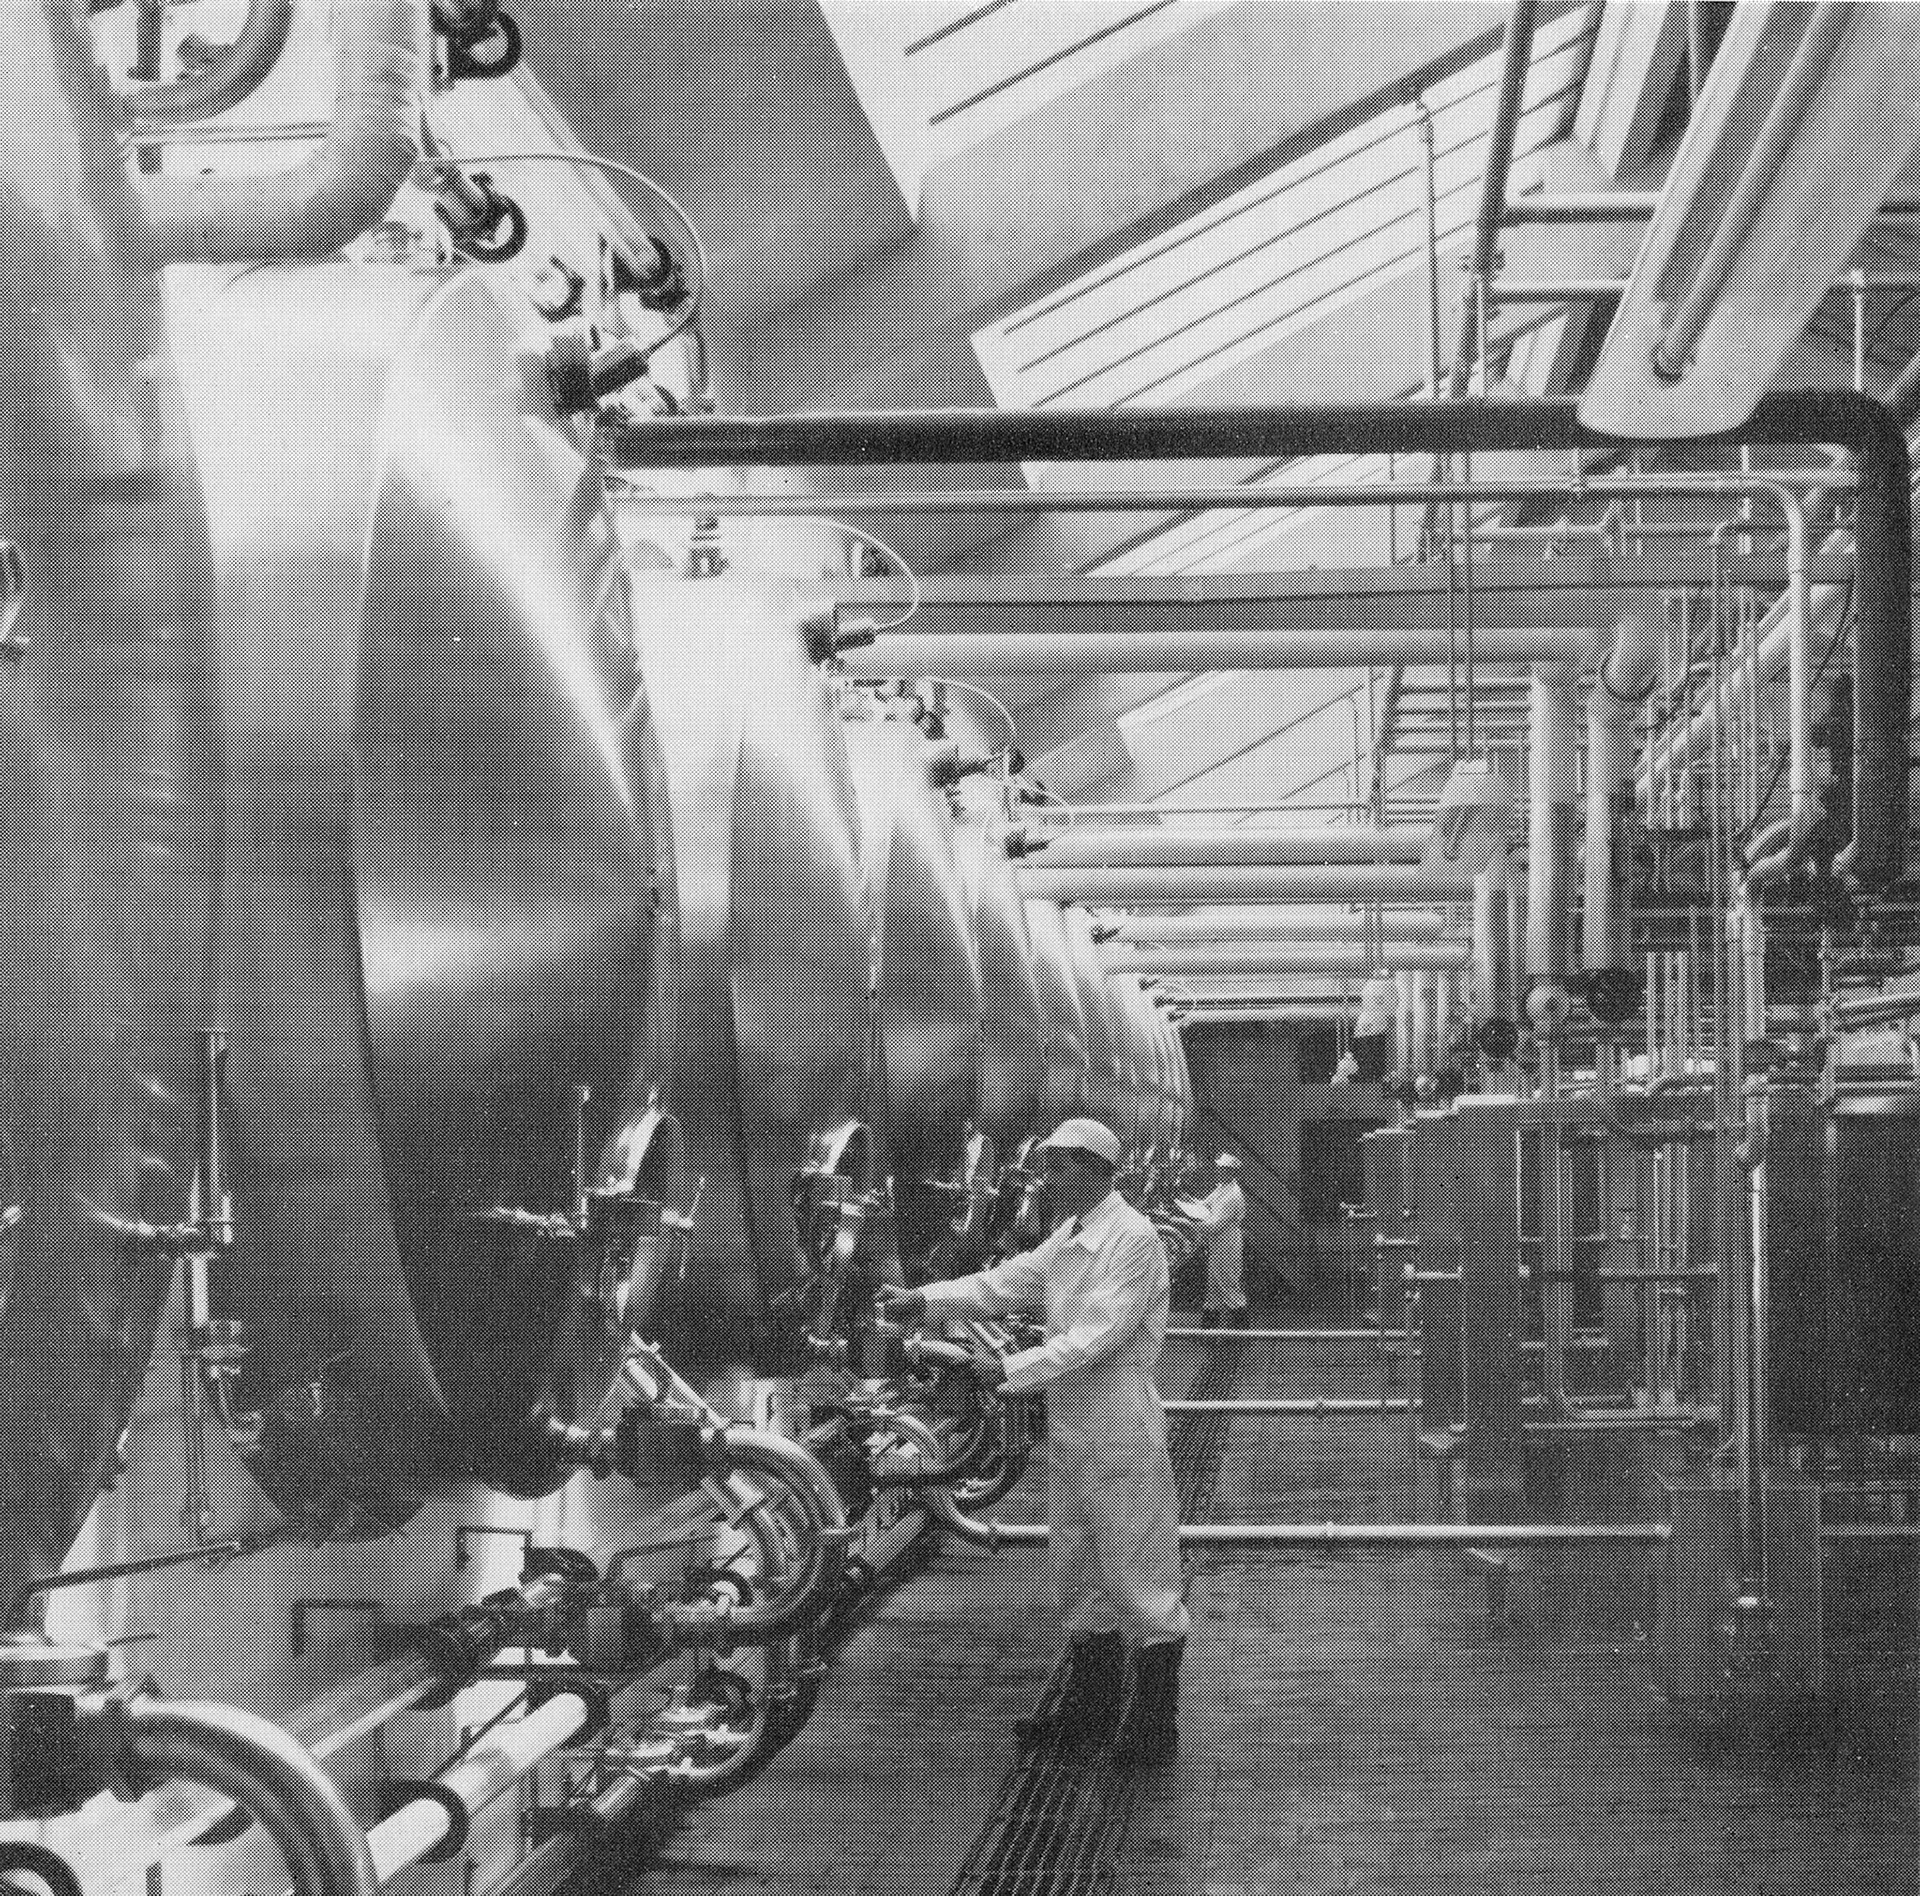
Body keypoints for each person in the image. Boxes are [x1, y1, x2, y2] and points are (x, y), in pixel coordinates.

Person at [877, 1116, 1189, 1767]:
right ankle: (1089, 1715)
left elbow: (1100, 1335)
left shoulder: (1131, 1238)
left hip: (1118, 1420)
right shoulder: (1070, 1236)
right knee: (1078, 1571)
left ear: (1094, 1168)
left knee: (1138, 1572)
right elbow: (1006, 1282)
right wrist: (924, 1300)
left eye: (1057, 1166)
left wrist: (1009, 1369)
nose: (1044, 1178)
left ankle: (1155, 1730)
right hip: (1075, 1422)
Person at [1194, 1153, 1248, 1330]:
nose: (1219, 1171)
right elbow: (1205, 1204)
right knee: (1213, 1287)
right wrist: (1186, 1202)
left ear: (1231, 1172)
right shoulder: (1221, 1188)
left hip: (1228, 1244)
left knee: (1229, 1285)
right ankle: (1207, 1333)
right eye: (1219, 1168)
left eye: (1223, 1169)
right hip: (1218, 1244)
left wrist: (1190, 1223)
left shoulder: (1233, 1195)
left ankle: (1242, 1333)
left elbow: (1215, 1225)